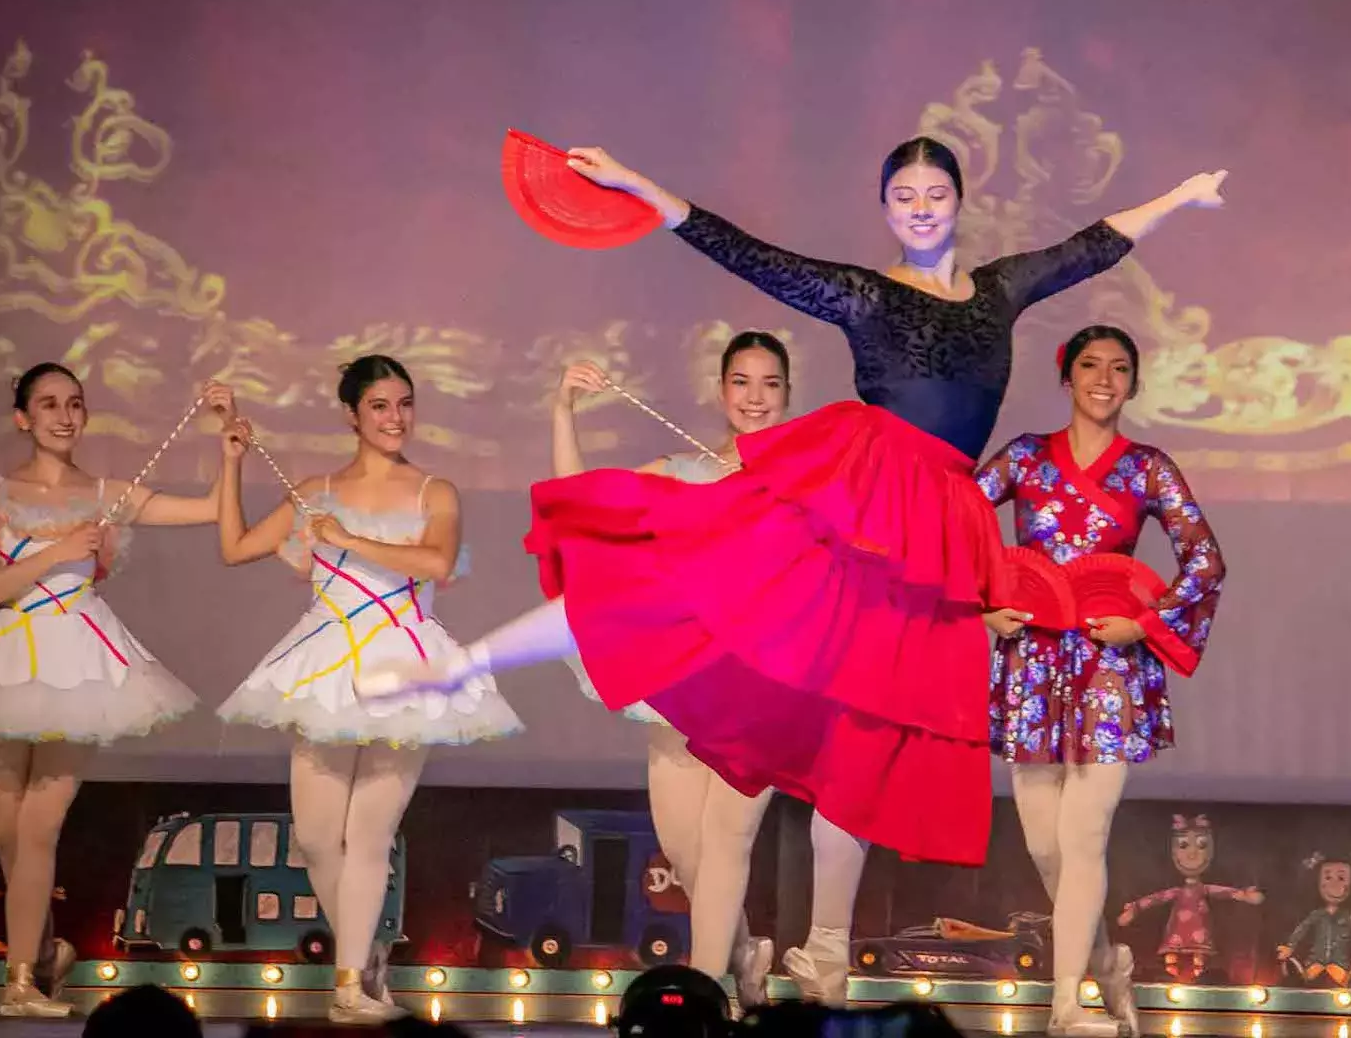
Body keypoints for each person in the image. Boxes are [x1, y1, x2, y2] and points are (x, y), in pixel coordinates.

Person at [359, 136, 1225, 876]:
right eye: (903, 197)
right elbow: (747, 253)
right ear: (886, 209)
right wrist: (639, 187)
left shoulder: (1002, 288)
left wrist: (1182, 198)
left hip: (939, 518)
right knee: (680, 582)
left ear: (960, 200)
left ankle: (827, 940)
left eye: (934, 194)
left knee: (876, 700)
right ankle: (463, 663)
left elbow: (1093, 245)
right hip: (867, 486)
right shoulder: (862, 293)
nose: (921, 209)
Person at [0, 363, 229, 1017]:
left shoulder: (106, 493)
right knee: (3, 828)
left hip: (78, 661)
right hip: (7, 656)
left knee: (39, 829)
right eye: (48, 404)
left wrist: (224, 445)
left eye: (75, 403)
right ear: (23, 418)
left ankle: (20, 984)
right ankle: (46, 954)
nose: (65, 415)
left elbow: (213, 510)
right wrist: (57, 548)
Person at [553, 334, 867, 1005]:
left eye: (770, 384)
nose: (755, 398)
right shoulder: (682, 472)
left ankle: (704, 995)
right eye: (742, 383)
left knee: (727, 842)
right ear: (721, 391)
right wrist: (564, 413)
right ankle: (743, 952)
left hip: (763, 685)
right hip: (682, 679)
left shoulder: (813, 482)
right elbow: (582, 510)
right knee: (685, 851)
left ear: (787, 393)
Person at [214, 355, 522, 1024]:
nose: (395, 417)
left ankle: (348, 984)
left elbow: (435, 561)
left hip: (404, 665)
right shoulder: (313, 489)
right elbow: (236, 547)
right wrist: (233, 459)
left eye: (404, 403)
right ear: (352, 414)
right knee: (319, 838)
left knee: (369, 833)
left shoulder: (433, 490)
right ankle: (368, 949)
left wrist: (348, 537)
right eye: (380, 405)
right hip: (326, 667)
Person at [976, 325, 1225, 1037]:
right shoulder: (1025, 456)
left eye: (1121, 368)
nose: (1105, 379)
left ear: (1135, 383)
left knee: (1083, 841)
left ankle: (1065, 1006)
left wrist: (1145, 626)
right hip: (1033, 662)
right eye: (1091, 365)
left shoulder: (1148, 468)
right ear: (1067, 376)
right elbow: (953, 520)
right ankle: (1109, 961)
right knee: (1045, 846)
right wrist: (983, 605)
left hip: (1110, 665)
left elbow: (1205, 560)